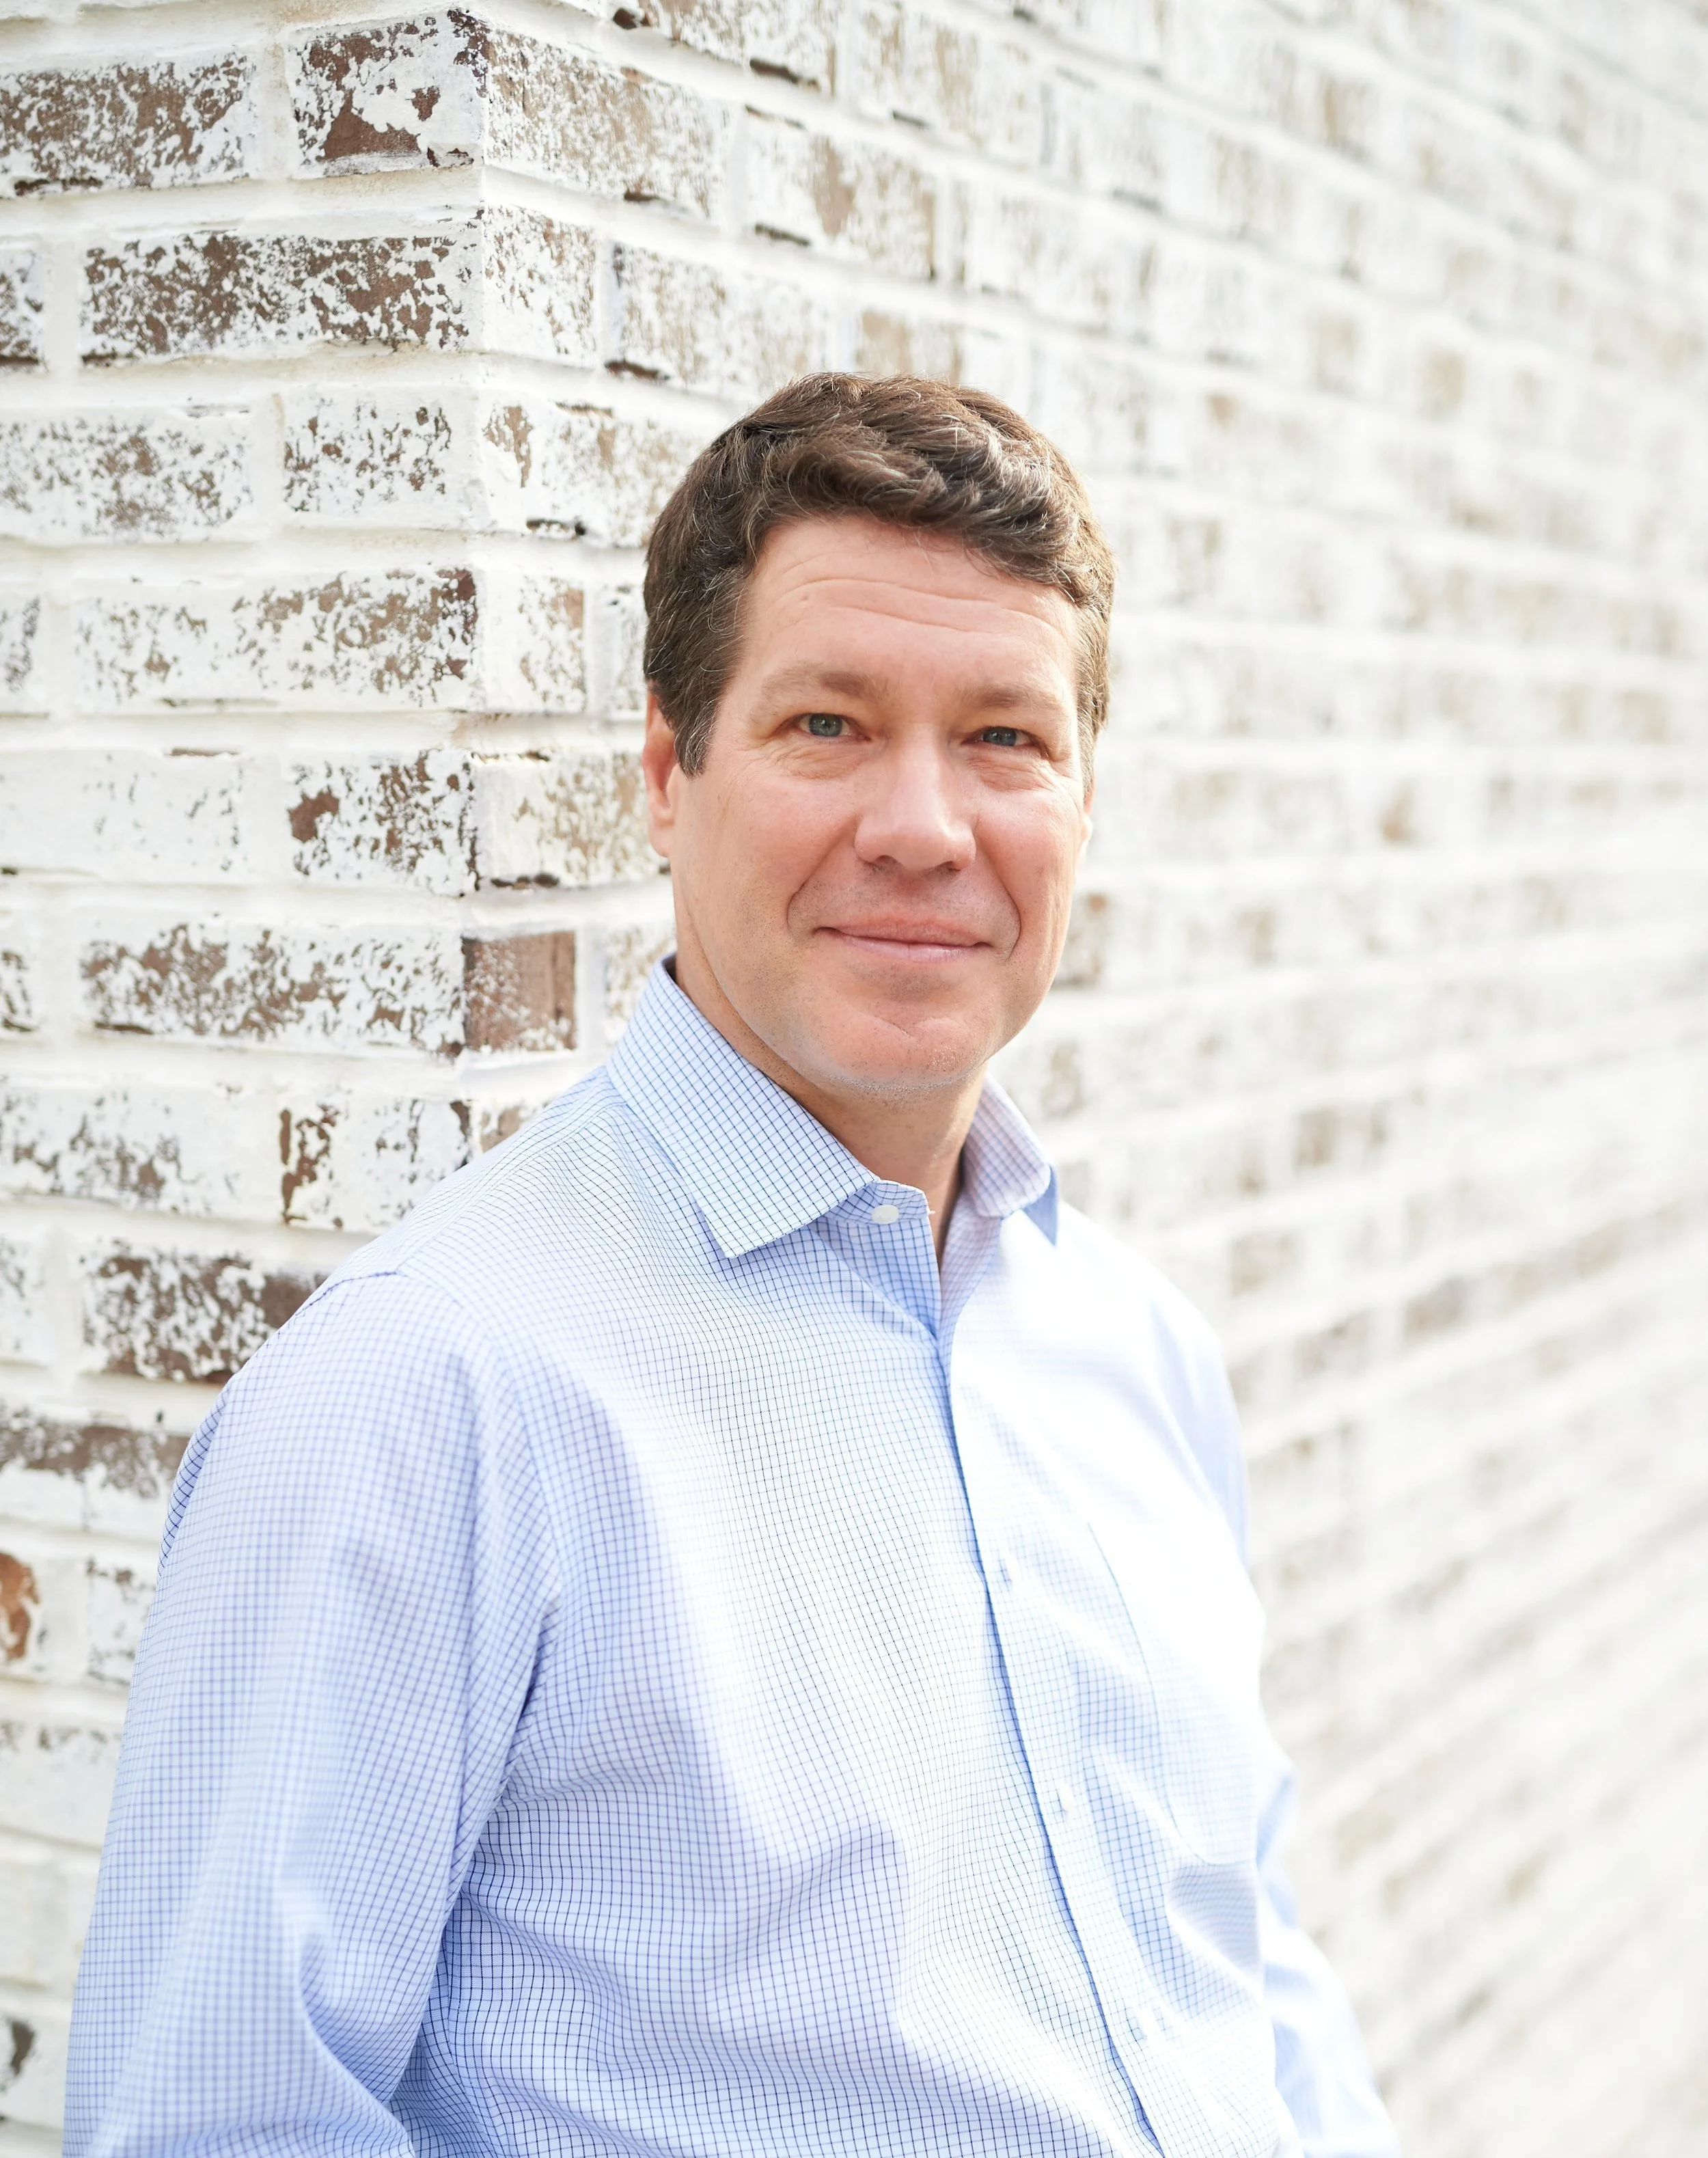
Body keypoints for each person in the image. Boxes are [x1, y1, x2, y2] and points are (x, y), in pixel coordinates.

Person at [67, 374, 1399, 2158]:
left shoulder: (1137, 1354)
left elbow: (1236, 1961)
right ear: (664, 773)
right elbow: (214, 2124)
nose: (926, 824)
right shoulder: (422, 1400)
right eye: (829, 724)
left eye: (1005, 737)